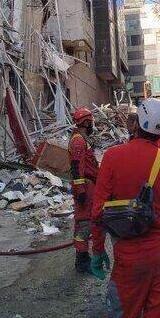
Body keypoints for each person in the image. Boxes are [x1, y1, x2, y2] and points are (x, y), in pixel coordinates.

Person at [90, 98, 160, 318]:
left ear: (136, 124)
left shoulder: (113, 157)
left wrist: (97, 250)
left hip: (128, 259)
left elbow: (98, 212)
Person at [69, 108, 100, 274]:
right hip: (85, 188)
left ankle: (83, 257)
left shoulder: (82, 139)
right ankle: (82, 260)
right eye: (91, 122)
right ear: (86, 123)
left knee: (88, 221)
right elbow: (77, 167)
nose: (92, 125)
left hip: (88, 185)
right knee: (84, 223)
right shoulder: (78, 141)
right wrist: (80, 190)